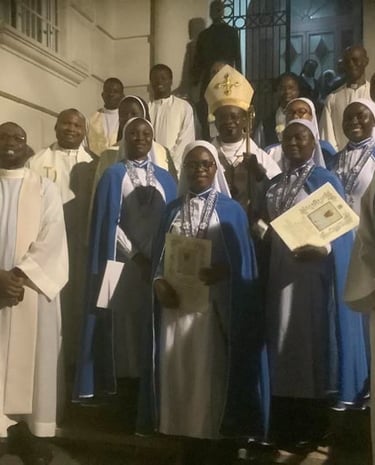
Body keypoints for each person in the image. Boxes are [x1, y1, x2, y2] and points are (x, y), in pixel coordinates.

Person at [136, 140, 269, 465]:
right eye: (193, 164)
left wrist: (225, 271)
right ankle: (181, 436)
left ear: (215, 170)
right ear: (184, 170)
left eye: (206, 164)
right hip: (175, 310)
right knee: (178, 374)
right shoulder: (171, 209)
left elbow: (245, 265)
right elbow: (159, 260)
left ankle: (213, 440)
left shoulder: (231, 210)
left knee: (208, 375)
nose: (199, 170)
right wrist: (157, 283)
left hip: (213, 311)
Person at [263, 119, 368, 449]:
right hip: (279, 277)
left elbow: (342, 233)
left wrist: (323, 249)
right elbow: (269, 230)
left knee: (310, 348)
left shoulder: (325, 180)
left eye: (301, 137)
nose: (293, 142)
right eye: (288, 137)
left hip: (313, 280)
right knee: (281, 347)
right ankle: (284, 421)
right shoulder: (275, 184)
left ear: (314, 142)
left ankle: (313, 424)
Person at [74, 117, 177, 403]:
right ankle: (116, 387)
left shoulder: (166, 178)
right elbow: (110, 223)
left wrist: (158, 259)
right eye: (133, 133)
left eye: (146, 133)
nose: (140, 138)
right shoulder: (112, 174)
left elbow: (172, 220)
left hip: (156, 264)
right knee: (114, 321)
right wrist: (135, 255)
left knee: (149, 322)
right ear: (124, 138)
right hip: (116, 265)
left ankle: (148, 387)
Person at [0, 122, 68, 462]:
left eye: (19, 137)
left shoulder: (45, 188)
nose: (11, 142)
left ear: (28, 147)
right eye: (3, 136)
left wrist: (19, 275)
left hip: (31, 291)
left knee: (35, 362)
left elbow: (53, 239)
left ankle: (31, 433)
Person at [27, 108, 96, 381]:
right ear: (56, 127)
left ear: (84, 131)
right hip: (47, 248)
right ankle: (48, 374)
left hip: (80, 248)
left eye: (77, 125)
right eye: (66, 124)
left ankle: (73, 372)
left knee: (76, 309)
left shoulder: (94, 163)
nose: (71, 129)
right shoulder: (37, 161)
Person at [205, 64, 281, 218]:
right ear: (215, 121)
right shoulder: (207, 154)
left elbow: (277, 195)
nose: (228, 121)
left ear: (246, 120)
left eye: (234, 116)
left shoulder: (260, 156)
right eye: (222, 117)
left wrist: (259, 173)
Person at [94, 95, 177, 193]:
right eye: (123, 114)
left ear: (144, 116)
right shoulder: (107, 154)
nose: (128, 118)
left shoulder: (162, 152)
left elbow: (172, 188)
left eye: (133, 114)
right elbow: (100, 191)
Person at [192, 0, 241, 139]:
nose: (218, 11)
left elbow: (237, 58)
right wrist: (194, 80)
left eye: (220, 9)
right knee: (207, 114)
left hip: (229, 80)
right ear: (211, 12)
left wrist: (240, 77)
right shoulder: (204, 35)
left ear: (223, 11)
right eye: (215, 9)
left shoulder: (231, 32)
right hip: (208, 80)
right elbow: (198, 61)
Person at [320, 45, 371, 151]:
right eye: (347, 62)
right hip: (341, 162)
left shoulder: (373, 93)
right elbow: (327, 136)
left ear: (366, 61)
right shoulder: (332, 98)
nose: (351, 64)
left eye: (355, 60)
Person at [149, 64, 195, 175]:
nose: (159, 82)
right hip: (150, 169)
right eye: (155, 79)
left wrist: (171, 166)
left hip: (175, 170)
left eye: (163, 78)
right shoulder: (146, 108)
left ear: (171, 81)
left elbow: (185, 140)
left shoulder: (183, 107)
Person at [266, 97, 335, 170]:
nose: (295, 116)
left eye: (301, 112)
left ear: (312, 116)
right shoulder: (271, 151)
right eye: (290, 112)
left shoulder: (325, 148)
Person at [333, 98, 375, 216]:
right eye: (348, 118)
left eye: (360, 116)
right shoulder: (333, 160)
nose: (354, 122)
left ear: (373, 121)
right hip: (340, 232)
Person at [255, 72, 303, 148]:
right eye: (282, 88)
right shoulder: (266, 124)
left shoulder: (306, 118)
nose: (287, 92)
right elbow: (258, 149)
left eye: (291, 88)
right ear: (276, 92)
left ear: (298, 91)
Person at [87, 77, 125, 156]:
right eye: (108, 91)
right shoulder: (91, 119)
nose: (111, 94)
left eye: (115, 91)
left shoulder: (126, 118)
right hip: (95, 166)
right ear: (102, 95)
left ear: (122, 96)